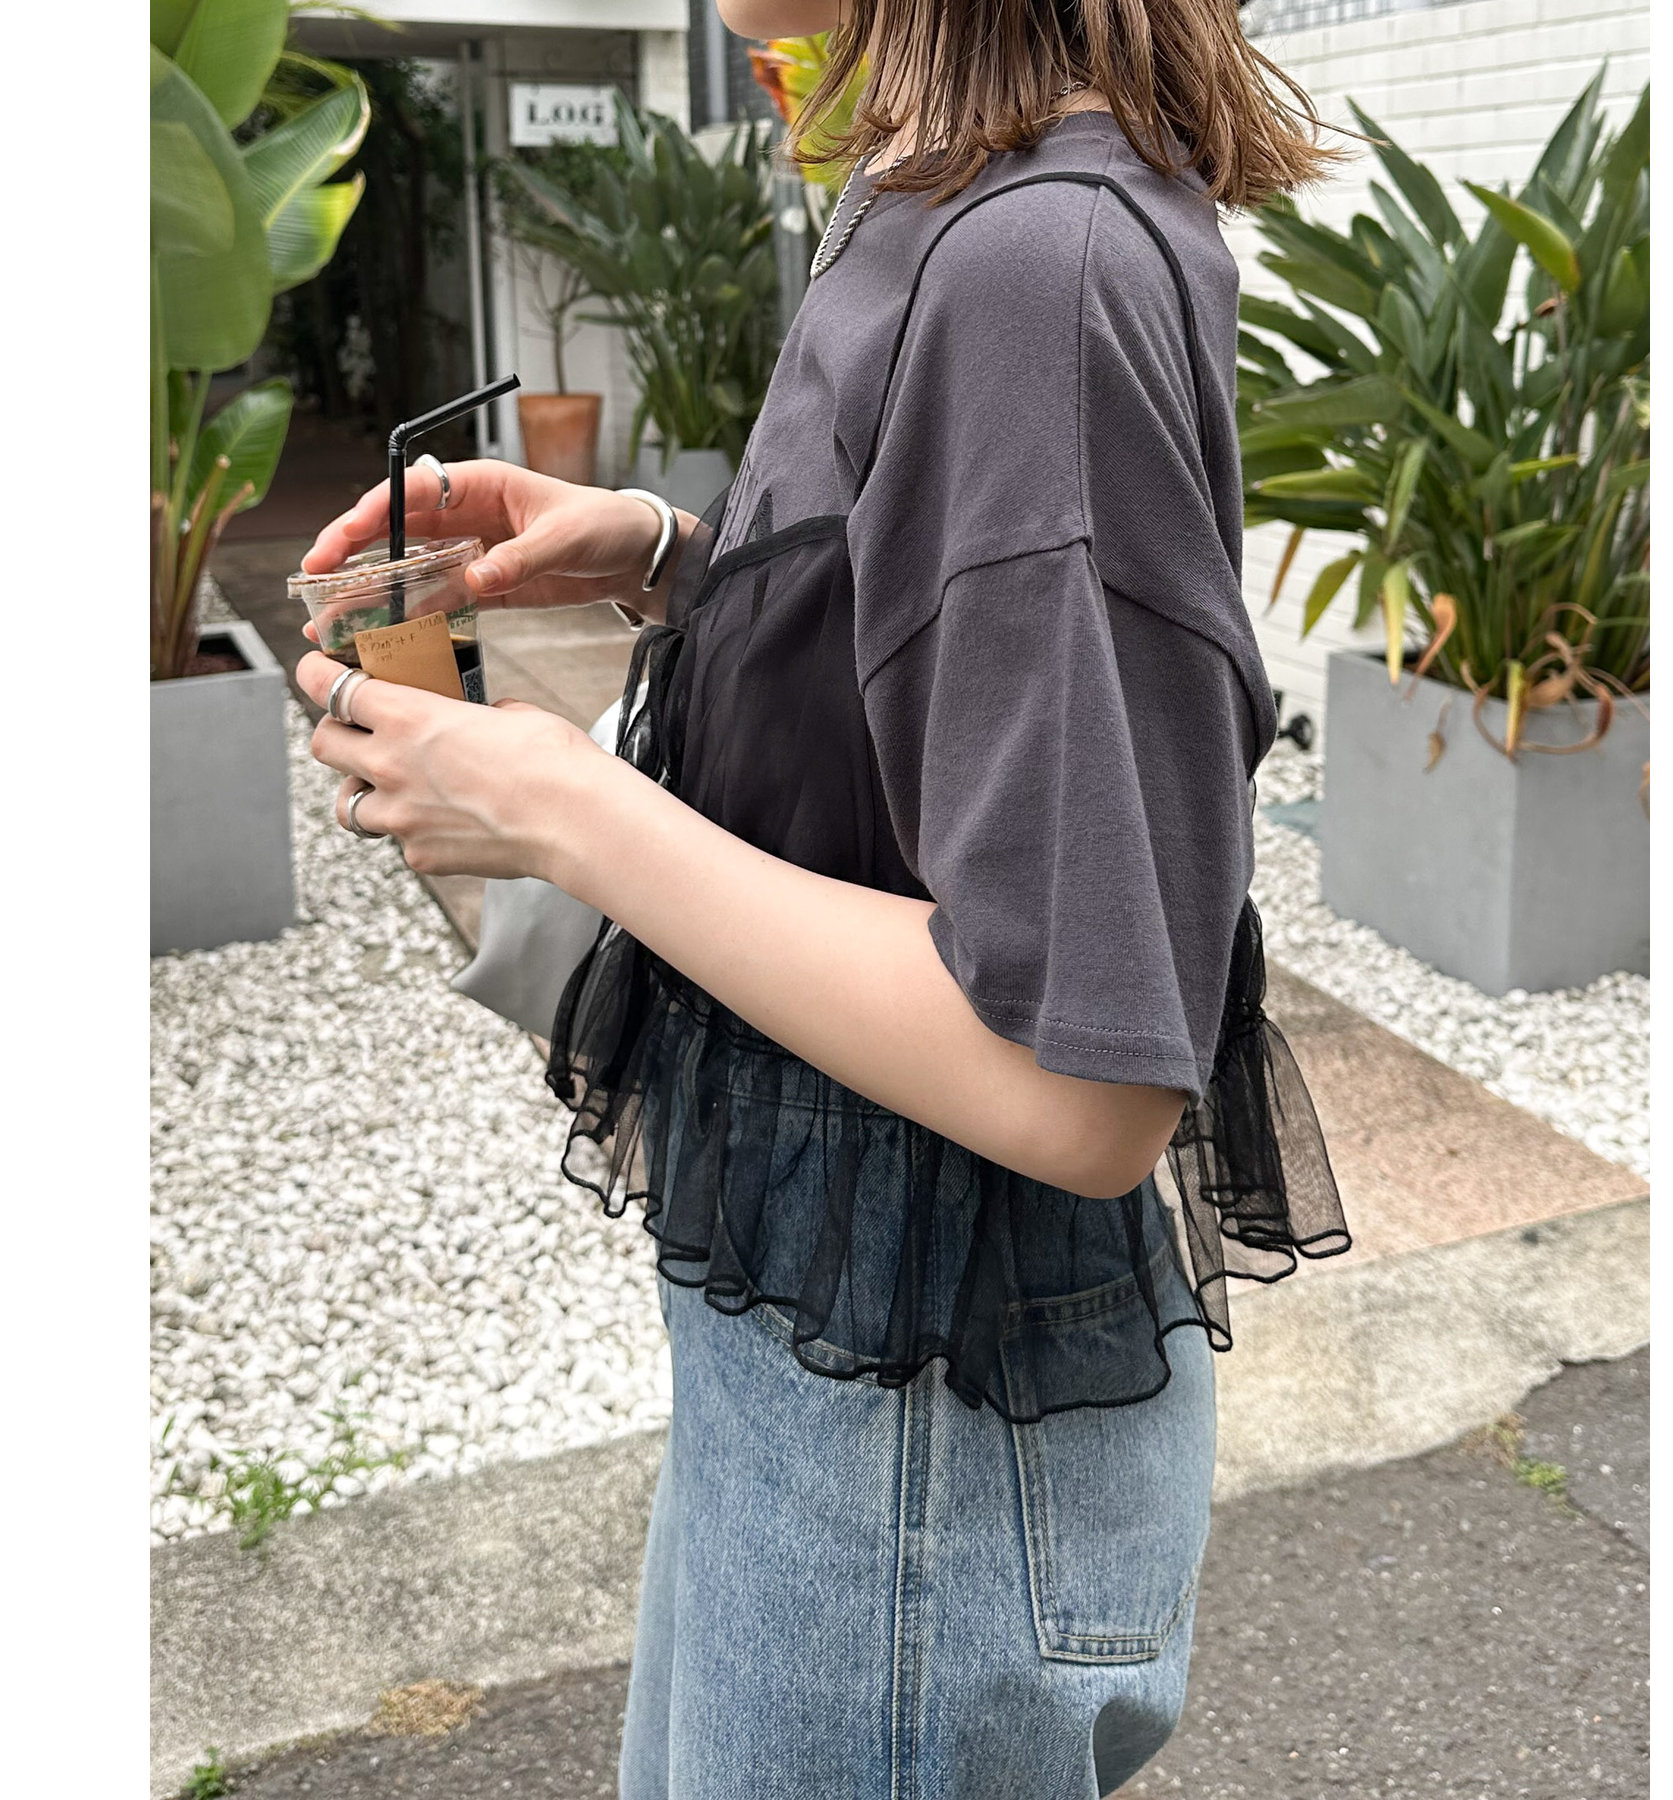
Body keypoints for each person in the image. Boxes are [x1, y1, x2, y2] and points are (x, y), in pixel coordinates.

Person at [297, 2, 1352, 1792]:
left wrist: (561, 804)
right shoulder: (954, 193)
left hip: (917, 1458)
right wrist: (669, 556)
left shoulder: (1032, 261)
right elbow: (934, 694)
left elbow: (1083, 1082)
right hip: (855, 1389)